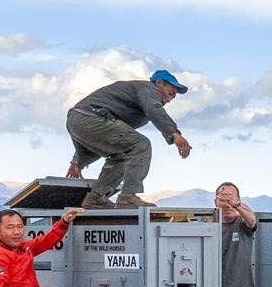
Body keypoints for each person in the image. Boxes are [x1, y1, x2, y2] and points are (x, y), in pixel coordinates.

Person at [66, 70, 192, 209]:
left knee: (123, 153)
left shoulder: (137, 95)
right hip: (91, 117)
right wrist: (174, 134)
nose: (169, 99)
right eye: (170, 93)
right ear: (159, 83)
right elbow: (154, 109)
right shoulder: (148, 90)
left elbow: (102, 136)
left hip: (78, 120)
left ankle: (96, 197)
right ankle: (128, 196)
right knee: (141, 145)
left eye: (173, 98)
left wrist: (78, 161)